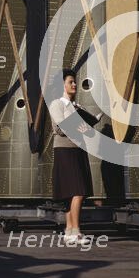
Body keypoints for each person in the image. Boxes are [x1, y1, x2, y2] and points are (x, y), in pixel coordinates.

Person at [49, 69, 96, 246]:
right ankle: (76, 231)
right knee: (77, 191)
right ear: (62, 85)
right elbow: (60, 128)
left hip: (78, 150)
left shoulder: (76, 106)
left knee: (73, 193)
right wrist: (78, 125)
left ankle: (69, 231)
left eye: (74, 82)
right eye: (70, 82)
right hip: (65, 150)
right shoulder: (57, 104)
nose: (74, 84)